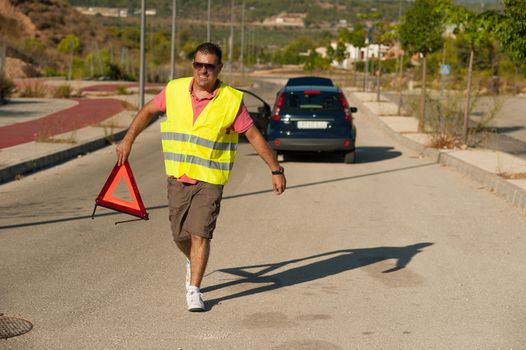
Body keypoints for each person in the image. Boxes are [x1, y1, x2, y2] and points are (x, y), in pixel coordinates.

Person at [116, 42, 286, 312]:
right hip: (178, 177)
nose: (203, 70)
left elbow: (254, 136)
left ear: (219, 68)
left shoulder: (231, 100)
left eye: (209, 66)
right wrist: (127, 140)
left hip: (210, 180)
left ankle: (194, 289)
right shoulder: (174, 90)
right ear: (193, 65)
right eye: (199, 64)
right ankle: (192, 260)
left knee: (200, 235)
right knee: (179, 236)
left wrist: (275, 170)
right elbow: (148, 110)